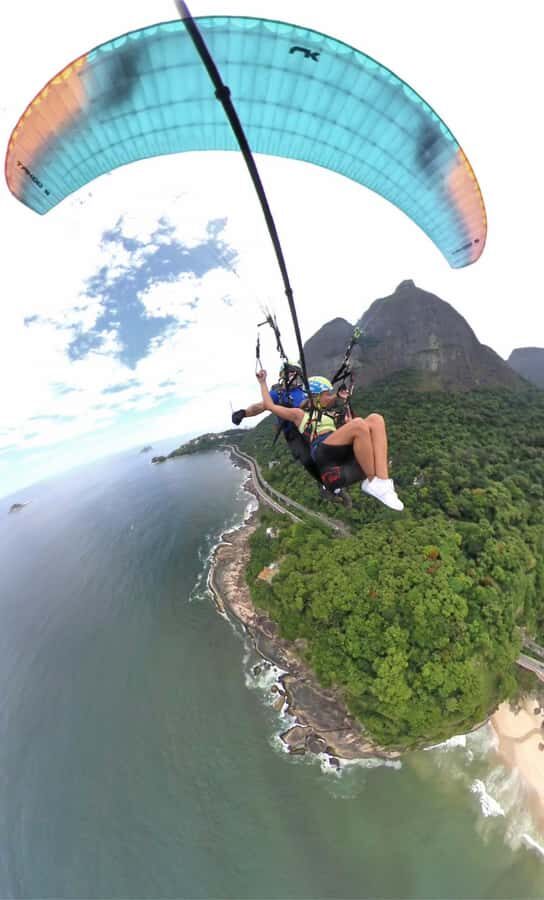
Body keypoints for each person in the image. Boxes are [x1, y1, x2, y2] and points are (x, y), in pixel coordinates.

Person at [255, 370, 404, 511]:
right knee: (358, 424)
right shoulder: (299, 415)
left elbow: (350, 432)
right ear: (315, 396)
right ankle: (373, 481)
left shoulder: (329, 415)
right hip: (322, 451)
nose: (330, 398)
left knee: (375, 419)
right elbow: (269, 405)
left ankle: (383, 482)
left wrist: (347, 419)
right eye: (327, 395)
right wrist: (262, 382)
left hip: (336, 448)